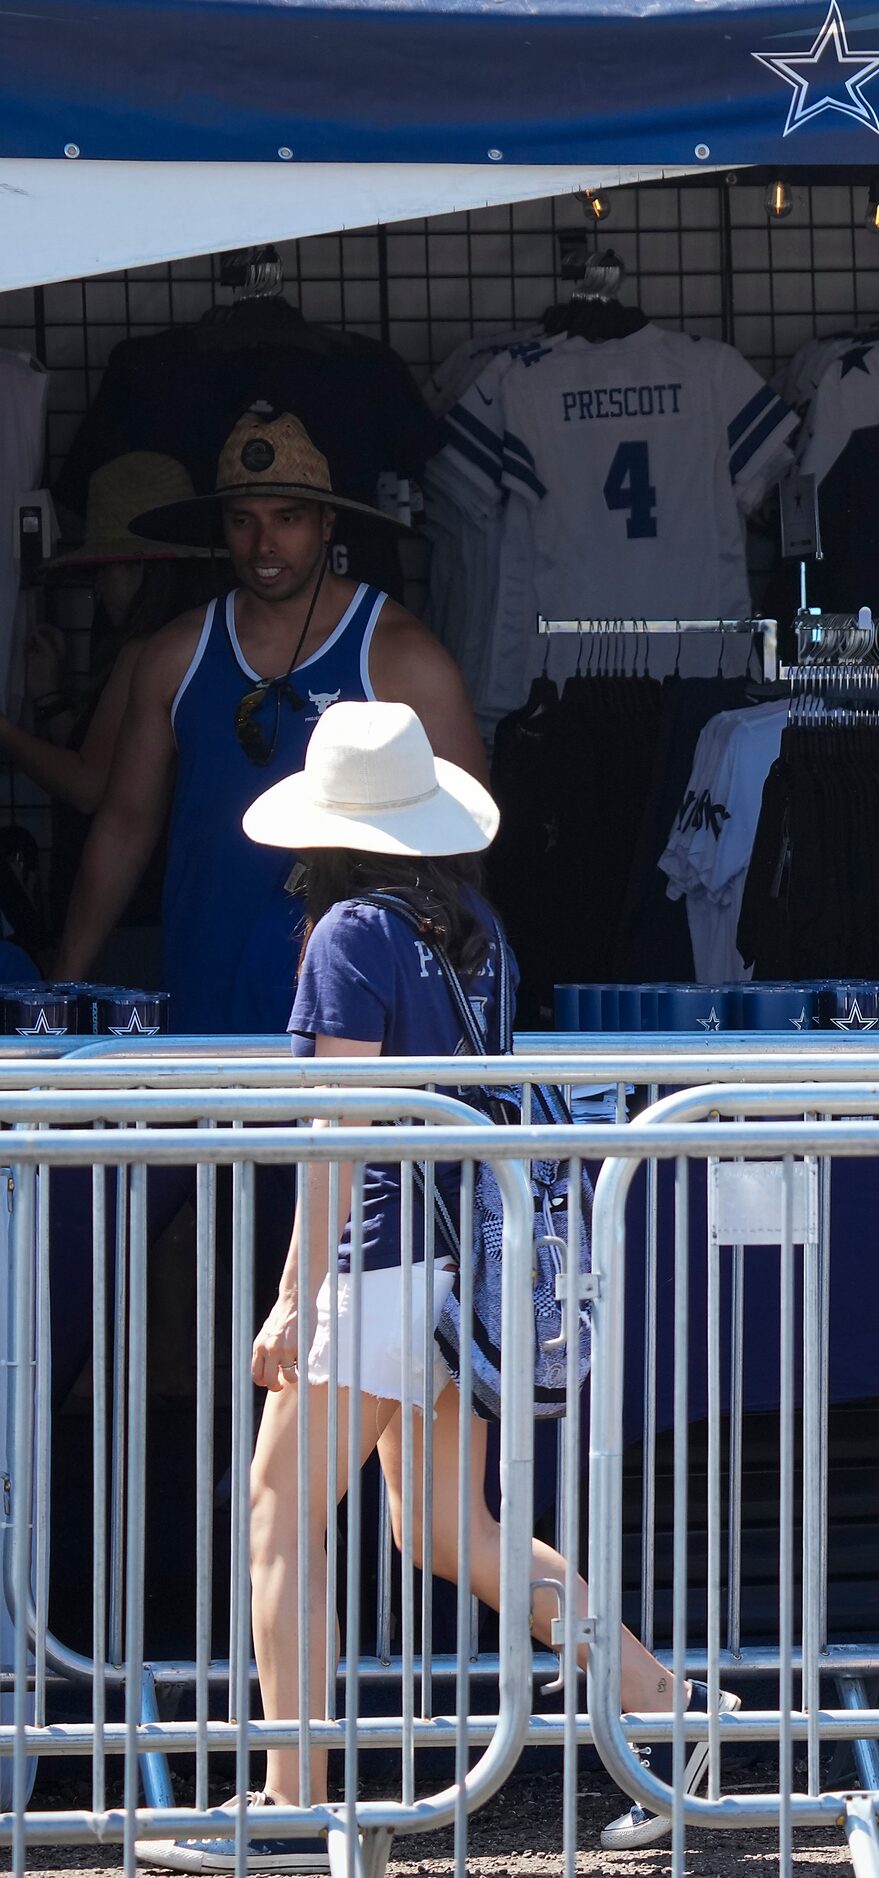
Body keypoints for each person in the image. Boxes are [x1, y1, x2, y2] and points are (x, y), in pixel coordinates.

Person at [152, 703, 720, 1872]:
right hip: (460, 1263)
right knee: (448, 1528)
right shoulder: (475, 928)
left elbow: (338, 1132)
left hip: (376, 1265)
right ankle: (665, 1703)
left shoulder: (348, 935)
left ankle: (294, 1798)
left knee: (282, 1519)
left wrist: (294, 1294)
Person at [53, 406, 484, 1035]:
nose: (265, 545)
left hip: (352, 1013)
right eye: (243, 521)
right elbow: (123, 826)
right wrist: (62, 981)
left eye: (288, 518)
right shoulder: (177, 655)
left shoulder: (402, 658)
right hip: (201, 986)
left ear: (327, 521)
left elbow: (466, 839)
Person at [9, 452, 227, 814]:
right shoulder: (211, 640)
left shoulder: (144, 654)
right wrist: (49, 697)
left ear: (141, 568)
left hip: (135, 866)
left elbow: (89, 787)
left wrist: (5, 733)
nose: (98, 585)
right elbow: (110, 758)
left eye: (105, 568)